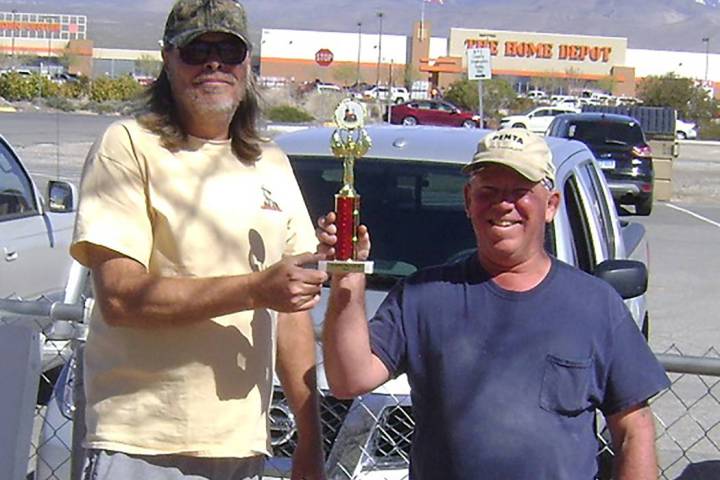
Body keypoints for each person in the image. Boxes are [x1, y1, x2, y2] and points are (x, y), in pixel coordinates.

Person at [317, 128, 669, 479]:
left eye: (520, 192)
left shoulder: (595, 305)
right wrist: (347, 276)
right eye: (489, 191)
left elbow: (633, 431)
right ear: (468, 200)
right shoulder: (423, 296)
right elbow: (348, 379)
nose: (503, 204)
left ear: (551, 205)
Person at [70, 1, 327, 478]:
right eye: (197, 49)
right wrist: (254, 289)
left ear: (248, 64)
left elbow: (293, 317)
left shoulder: (271, 162)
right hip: (141, 446)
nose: (214, 62)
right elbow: (121, 297)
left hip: (243, 449)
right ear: (168, 60)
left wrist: (310, 442)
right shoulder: (127, 146)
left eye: (228, 50)